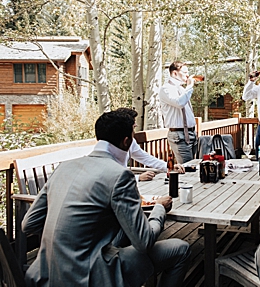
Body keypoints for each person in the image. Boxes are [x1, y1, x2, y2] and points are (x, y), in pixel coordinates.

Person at [20, 109, 190, 287]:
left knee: (123, 234)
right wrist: (159, 208)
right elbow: (144, 242)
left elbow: (29, 224)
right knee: (181, 249)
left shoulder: (64, 167)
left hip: (47, 273)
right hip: (88, 276)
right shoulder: (120, 175)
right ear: (126, 142)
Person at [156, 61, 202, 164]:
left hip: (191, 134)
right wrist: (189, 86)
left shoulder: (181, 89)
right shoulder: (166, 89)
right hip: (179, 135)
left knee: (194, 166)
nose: (187, 75)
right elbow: (179, 102)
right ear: (175, 73)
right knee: (187, 168)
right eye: (185, 72)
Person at [101, 108, 168, 173]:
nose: (135, 126)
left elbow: (145, 157)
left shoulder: (131, 141)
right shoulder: (109, 143)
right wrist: (138, 177)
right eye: (133, 125)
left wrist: (168, 166)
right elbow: (109, 174)